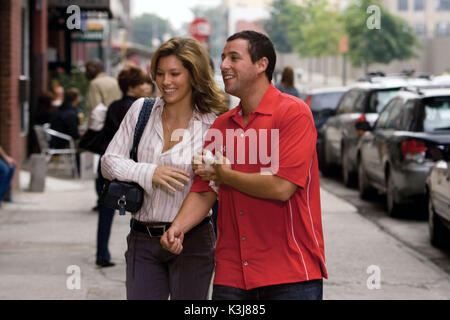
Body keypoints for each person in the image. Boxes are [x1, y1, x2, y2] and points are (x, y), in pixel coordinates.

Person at [161, 30, 327, 300]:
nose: (224, 65)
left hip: (291, 273)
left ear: (262, 64)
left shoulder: (294, 113)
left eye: (234, 58)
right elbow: (205, 189)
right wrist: (178, 227)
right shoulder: (221, 125)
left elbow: (282, 187)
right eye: (223, 57)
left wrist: (225, 175)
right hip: (232, 274)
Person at [101, 37, 228, 299]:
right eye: (159, 73)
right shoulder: (141, 110)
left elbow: (211, 187)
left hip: (192, 241)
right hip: (142, 238)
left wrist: (178, 229)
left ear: (194, 75)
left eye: (174, 74)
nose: (165, 81)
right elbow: (108, 163)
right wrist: (149, 172)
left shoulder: (214, 125)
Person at [94, 65, 149, 268]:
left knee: (105, 210)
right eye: (142, 83)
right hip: (129, 166)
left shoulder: (114, 106)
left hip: (107, 161)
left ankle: (102, 253)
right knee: (140, 211)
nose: (147, 86)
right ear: (133, 86)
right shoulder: (140, 109)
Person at [85, 59, 121, 212]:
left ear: (94, 69)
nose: (85, 72)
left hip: (103, 131)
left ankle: (102, 200)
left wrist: (90, 133)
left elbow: (96, 110)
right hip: (117, 127)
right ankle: (114, 197)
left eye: (87, 68)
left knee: (101, 167)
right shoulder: (114, 81)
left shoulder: (95, 84)